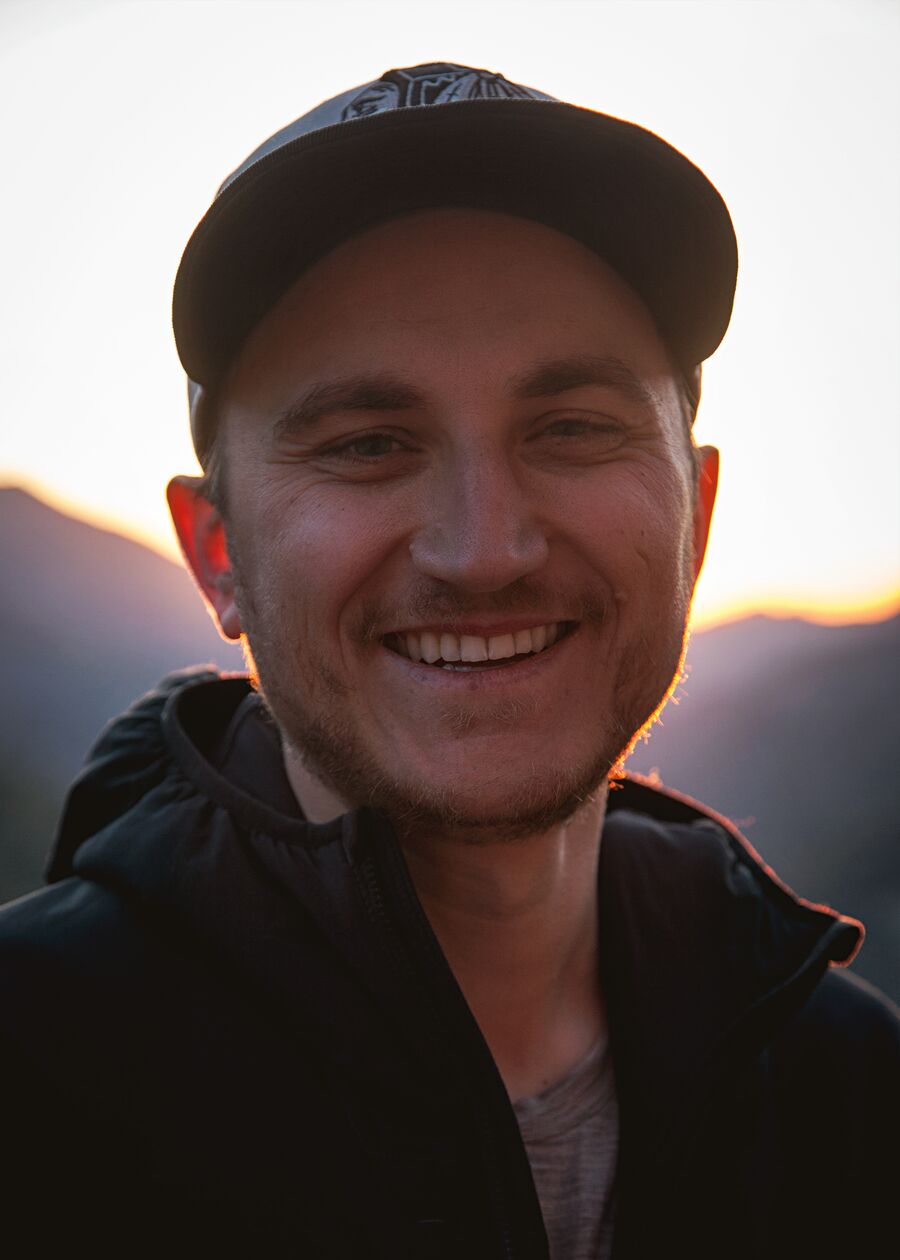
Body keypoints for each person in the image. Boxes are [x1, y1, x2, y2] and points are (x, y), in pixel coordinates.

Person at [1, 63, 897, 1260]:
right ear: (219, 555)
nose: (484, 551)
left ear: (697, 519)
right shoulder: (35, 1090)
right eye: (368, 444)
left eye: (572, 429)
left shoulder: (856, 1096)